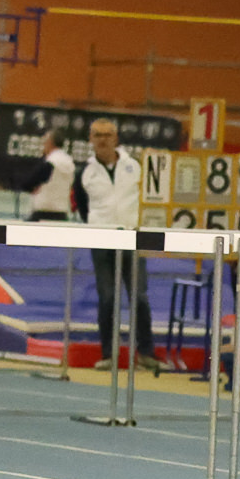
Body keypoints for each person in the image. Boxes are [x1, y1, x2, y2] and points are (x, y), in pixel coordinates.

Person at [72, 117, 156, 366]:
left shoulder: (136, 167)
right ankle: (109, 354)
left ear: (116, 138)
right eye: (97, 135)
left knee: (139, 297)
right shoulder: (84, 173)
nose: (102, 140)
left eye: (107, 135)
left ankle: (146, 353)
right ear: (90, 139)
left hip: (132, 239)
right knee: (107, 297)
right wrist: (99, 228)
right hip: (102, 242)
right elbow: (83, 208)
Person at [24, 127, 74, 221]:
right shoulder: (70, 162)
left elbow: (28, 184)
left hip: (43, 213)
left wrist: (32, 188)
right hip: (62, 213)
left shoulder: (50, 163)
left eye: (44, 142)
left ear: (50, 143)